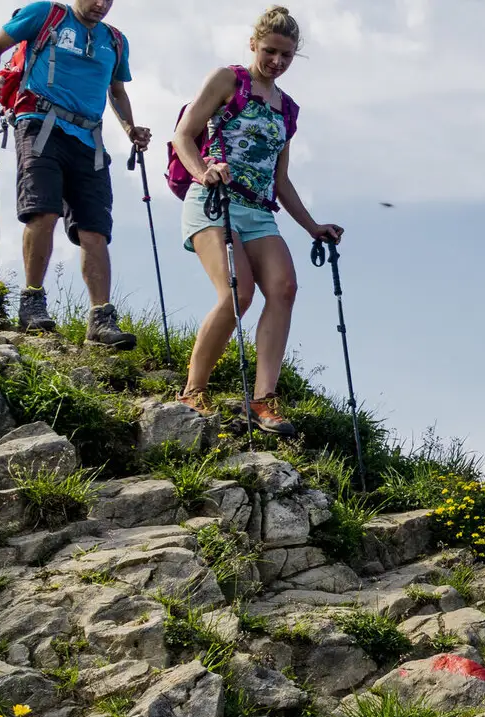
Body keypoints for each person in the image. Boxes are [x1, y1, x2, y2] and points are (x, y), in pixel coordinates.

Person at [171, 6, 343, 436]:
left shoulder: (287, 110)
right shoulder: (229, 80)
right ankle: (193, 390)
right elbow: (183, 134)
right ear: (253, 44)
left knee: (285, 288)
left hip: (258, 211)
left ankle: (263, 400)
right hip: (213, 201)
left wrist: (312, 226)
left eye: (286, 56)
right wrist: (202, 171)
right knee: (238, 292)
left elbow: (280, 179)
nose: (277, 62)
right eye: (270, 51)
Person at [0, 0, 150, 348]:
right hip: (38, 121)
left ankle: (101, 320)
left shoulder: (115, 40)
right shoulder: (46, 14)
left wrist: (131, 128)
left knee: (95, 228)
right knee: (43, 211)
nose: (101, 4)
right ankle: (32, 302)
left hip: (90, 138)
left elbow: (116, 90)